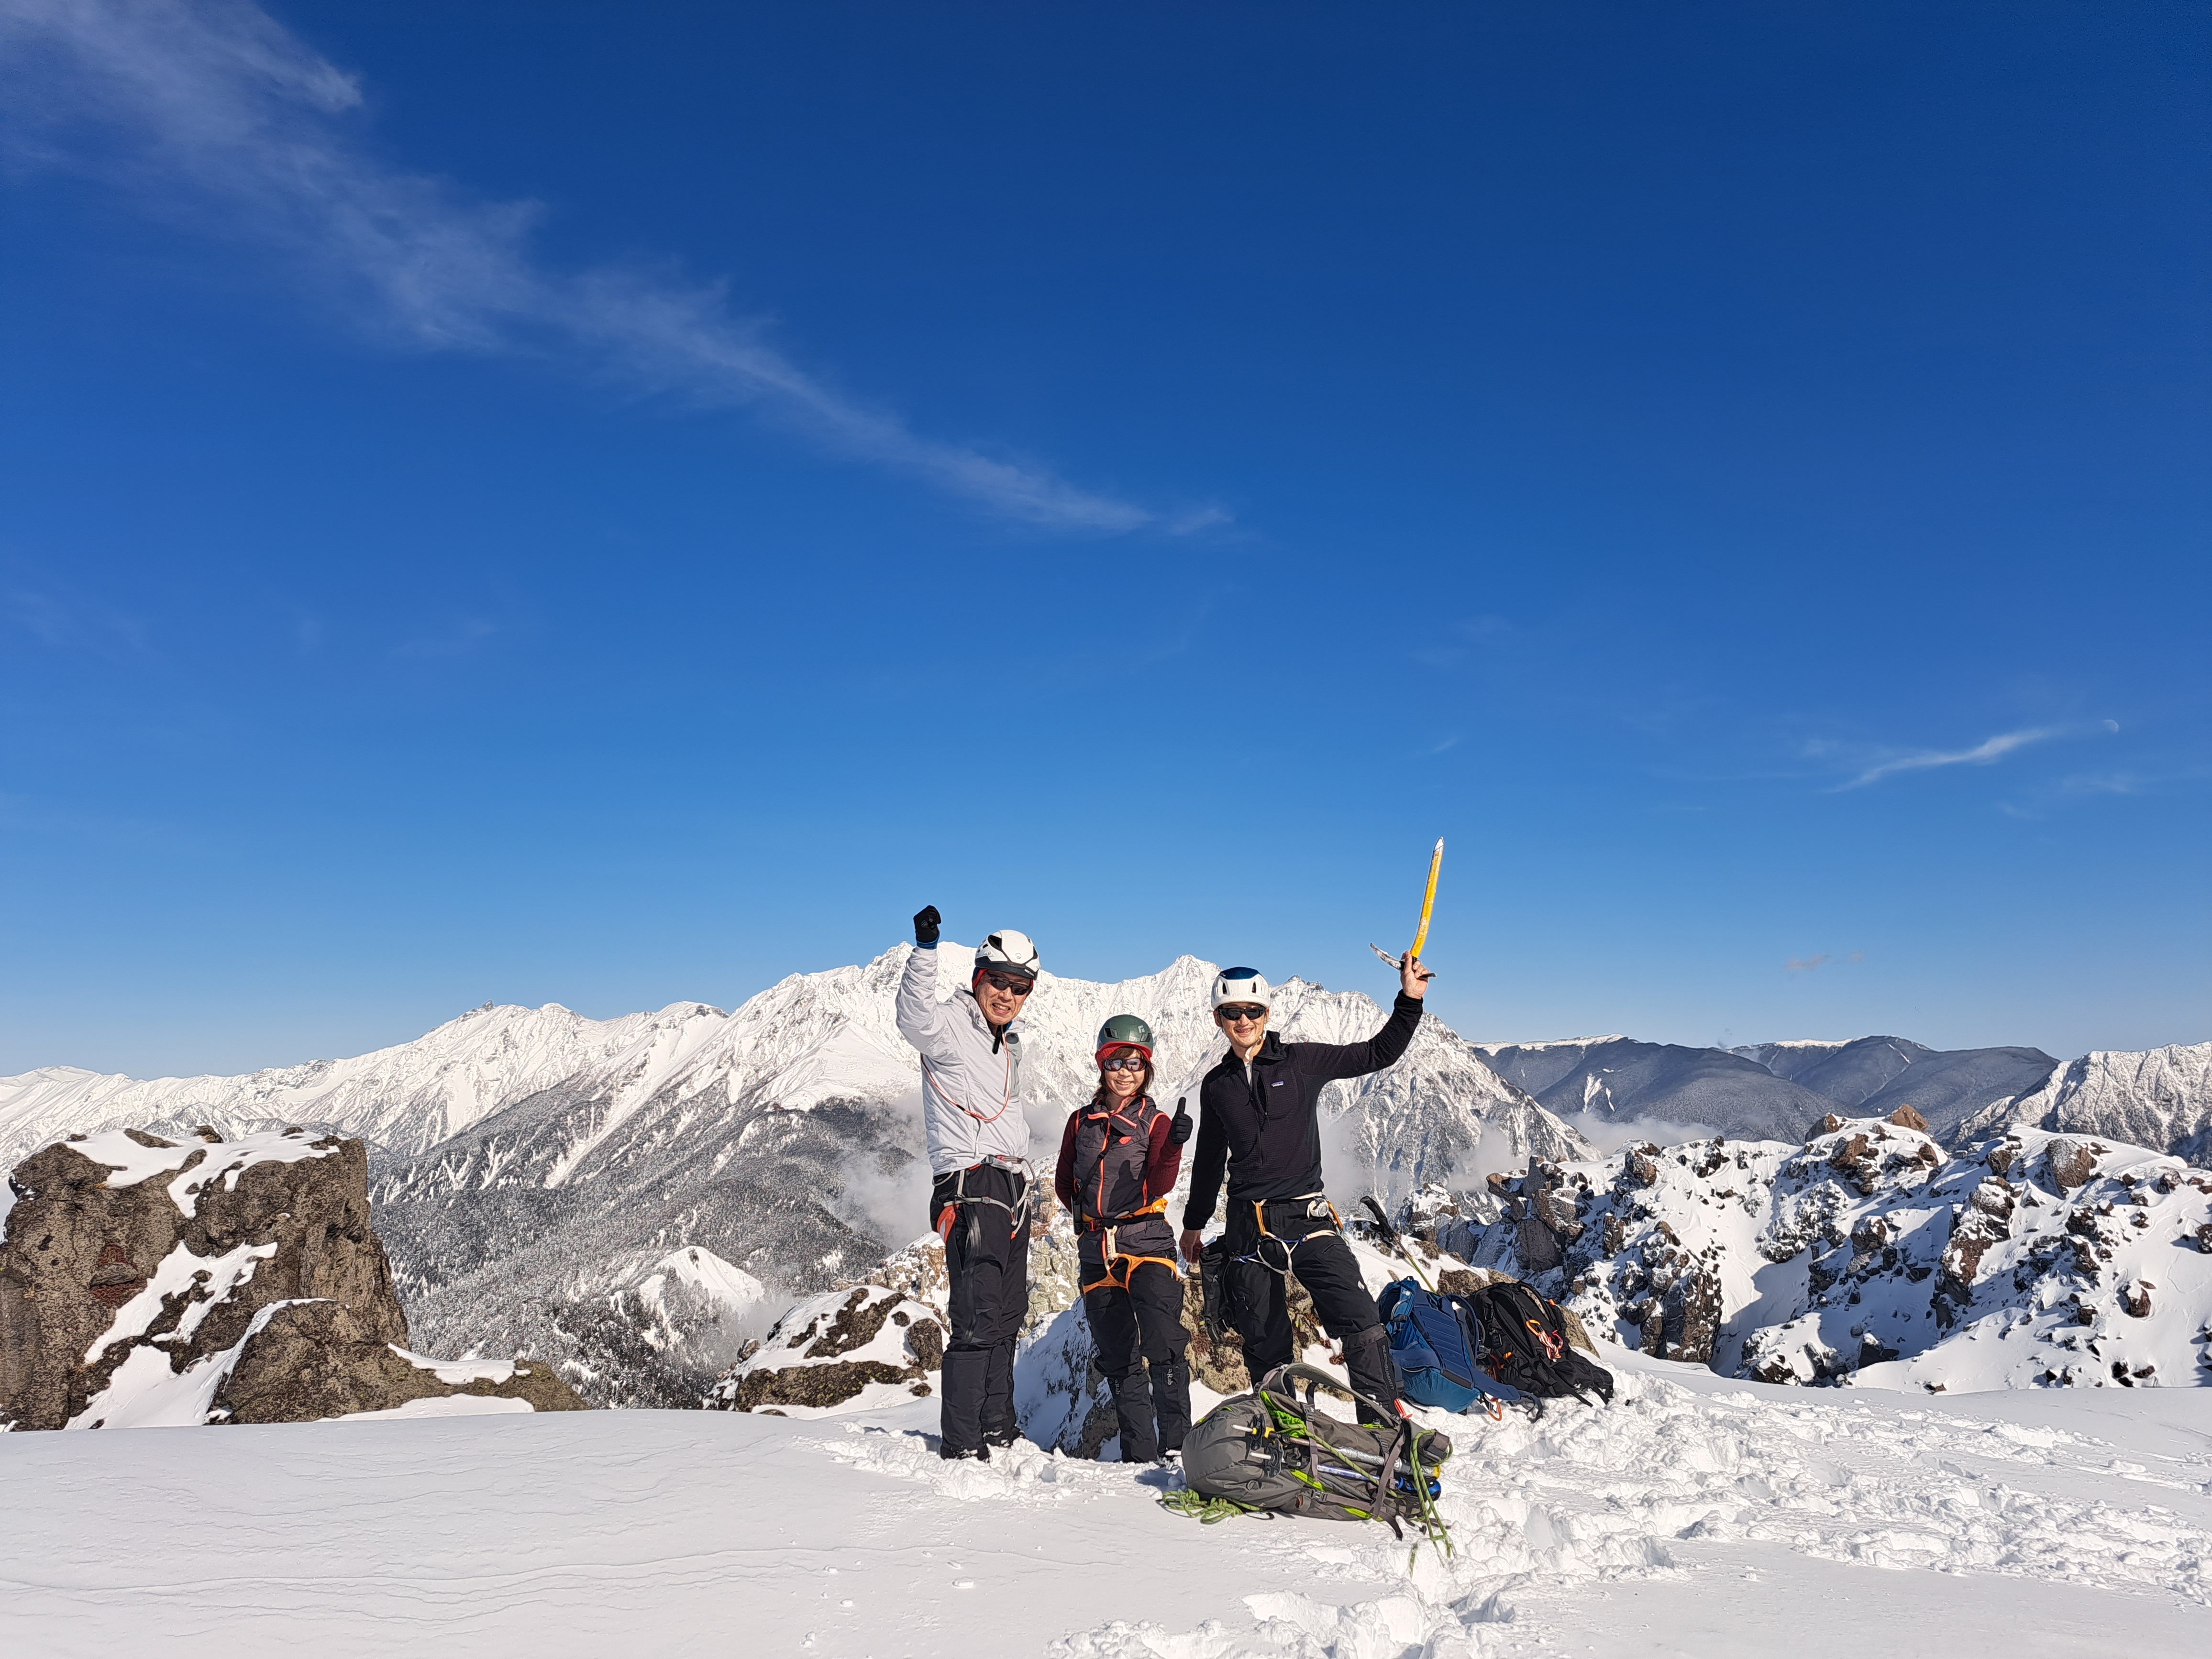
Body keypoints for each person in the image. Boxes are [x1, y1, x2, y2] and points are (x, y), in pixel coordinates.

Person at [1178, 954, 1432, 1424]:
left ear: (1267, 1014)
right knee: (1266, 1342)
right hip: (1246, 1228)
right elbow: (1211, 1160)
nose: (1243, 1021)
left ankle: (1381, 1431)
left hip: (1307, 1220)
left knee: (1361, 1321)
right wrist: (1193, 1225)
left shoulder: (1301, 1062)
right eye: (1232, 1013)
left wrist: (1409, 1000)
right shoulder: (1216, 1086)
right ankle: (1289, 1433)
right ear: (1218, 1019)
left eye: (1252, 1011)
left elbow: (1376, 1053)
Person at [896, 904, 1040, 1461]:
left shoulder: (1008, 1040)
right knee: (976, 1320)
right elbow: (912, 1018)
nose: (1008, 994)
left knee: (1006, 1318)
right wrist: (925, 950)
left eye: (1020, 987)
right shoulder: (950, 1024)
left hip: (1011, 1186)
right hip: (969, 1181)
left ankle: (999, 1428)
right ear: (979, 978)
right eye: (999, 983)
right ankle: (961, 1443)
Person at [1053, 1015, 1195, 1464]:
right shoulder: (1081, 1123)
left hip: (1147, 1243)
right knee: (1118, 1357)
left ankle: (1177, 1447)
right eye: (1116, 1061)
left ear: (1147, 1069)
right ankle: (1140, 1453)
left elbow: (1161, 1182)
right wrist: (1092, 1218)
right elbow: (1064, 1182)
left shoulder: (1155, 1123)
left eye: (1135, 1062)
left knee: (1163, 1342)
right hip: (1097, 1251)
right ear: (1102, 1065)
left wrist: (1172, 1146)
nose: (1126, 1070)